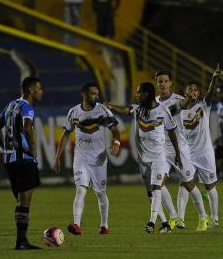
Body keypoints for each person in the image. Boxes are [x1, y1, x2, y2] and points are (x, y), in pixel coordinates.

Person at [106, 82, 182, 233]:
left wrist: (177, 153)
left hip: (159, 157)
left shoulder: (163, 110)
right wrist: (112, 106)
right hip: (143, 159)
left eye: (139, 92)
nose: (137, 95)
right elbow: (126, 110)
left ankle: (151, 222)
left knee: (156, 189)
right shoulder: (138, 109)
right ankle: (165, 223)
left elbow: (172, 131)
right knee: (150, 193)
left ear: (147, 94)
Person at [53, 82, 120, 235]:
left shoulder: (102, 111)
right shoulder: (73, 112)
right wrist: (57, 156)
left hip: (99, 160)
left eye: (97, 94)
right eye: (93, 94)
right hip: (81, 159)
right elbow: (66, 134)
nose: (96, 96)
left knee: (101, 193)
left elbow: (114, 129)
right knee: (80, 190)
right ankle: (76, 224)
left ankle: (104, 225)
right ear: (84, 94)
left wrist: (116, 141)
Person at [0, 77, 44, 250]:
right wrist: (33, 148)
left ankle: (21, 240)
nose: (41, 91)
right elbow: (27, 126)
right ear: (30, 90)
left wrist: (5, 147)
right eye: (39, 88)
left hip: (10, 160)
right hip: (24, 159)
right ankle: (21, 242)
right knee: (24, 201)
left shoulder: (10, 105)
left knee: (20, 201)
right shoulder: (27, 107)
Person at [155, 71, 209, 231]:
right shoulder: (155, 102)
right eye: (159, 81)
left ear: (171, 83)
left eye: (165, 81)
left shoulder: (178, 99)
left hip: (180, 148)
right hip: (163, 150)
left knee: (189, 184)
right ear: (156, 83)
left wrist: (190, 98)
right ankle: (173, 216)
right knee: (157, 184)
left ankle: (203, 217)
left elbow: (183, 105)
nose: (162, 84)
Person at [180, 66, 223, 228]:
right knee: (185, 183)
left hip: (205, 153)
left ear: (198, 93)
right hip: (187, 153)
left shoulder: (203, 105)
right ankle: (180, 220)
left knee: (209, 185)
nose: (192, 91)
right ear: (185, 93)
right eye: (189, 89)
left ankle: (215, 218)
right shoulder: (178, 110)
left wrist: (214, 78)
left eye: (195, 90)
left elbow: (211, 93)